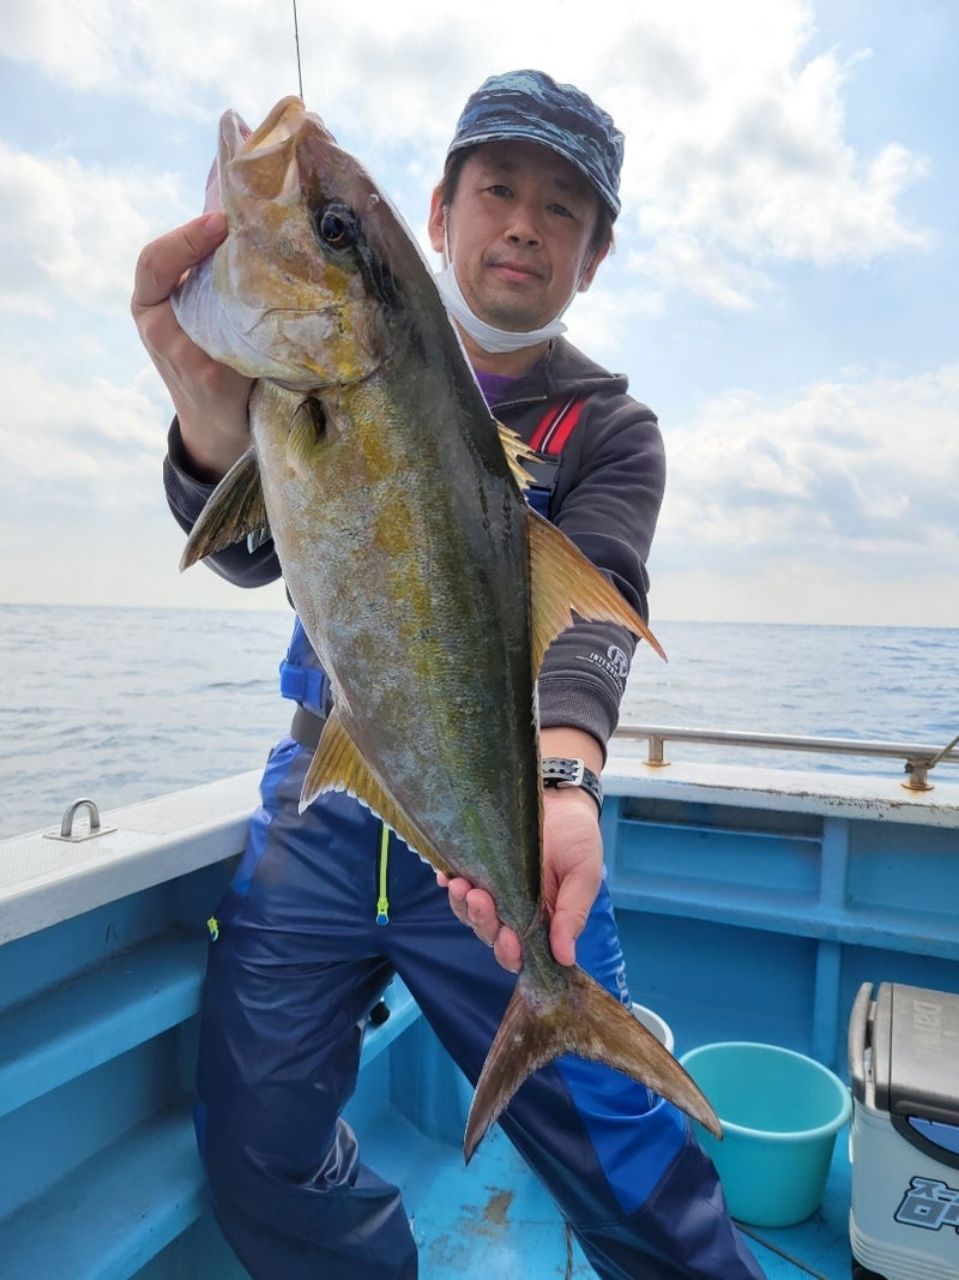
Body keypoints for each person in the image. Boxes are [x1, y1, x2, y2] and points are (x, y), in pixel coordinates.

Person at [133, 69, 763, 1280]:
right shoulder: (298, 370)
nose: (524, 221)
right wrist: (212, 432)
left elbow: (597, 609)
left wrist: (565, 778)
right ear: (435, 214)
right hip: (320, 792)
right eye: (498, 187)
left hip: (501, 806)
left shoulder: (607, 427)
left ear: (594, 255)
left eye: (562, 209)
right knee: (254, 1133)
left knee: (626, 1158)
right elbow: (248, 552)